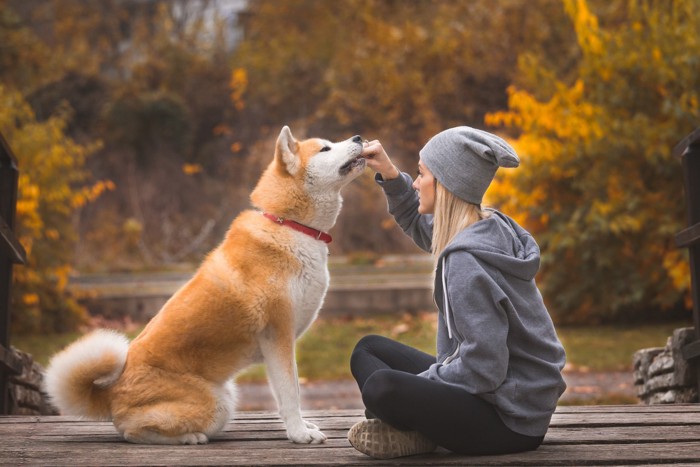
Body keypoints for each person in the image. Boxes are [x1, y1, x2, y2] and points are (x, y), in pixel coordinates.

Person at [347, 126, 567, 459]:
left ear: (446, 184)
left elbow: (484, 368)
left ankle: (417, 431)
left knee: (382, 387)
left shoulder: (466, 262)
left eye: (422, 175)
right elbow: (421, 226)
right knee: (368, 349)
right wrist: (391, 175)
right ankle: (418, 428)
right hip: (503, 397)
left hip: (510, 420)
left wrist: (419, 387)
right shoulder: (486, 225)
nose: (417, 182)